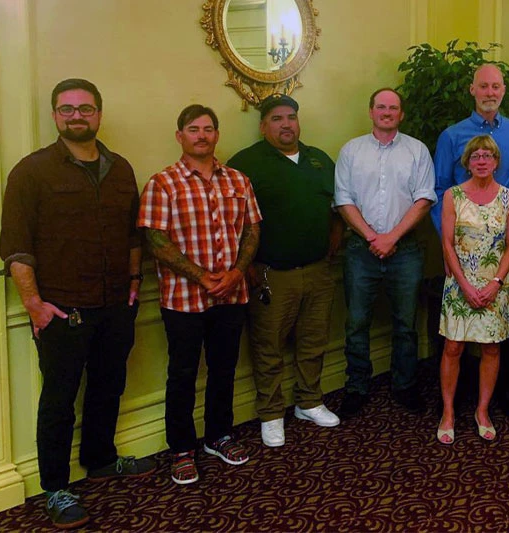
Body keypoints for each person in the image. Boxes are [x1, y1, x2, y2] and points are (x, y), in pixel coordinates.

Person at [0, 78, 155, 529]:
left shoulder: (120, 168)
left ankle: (101, 459)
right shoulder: (31, 171)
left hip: (115, 303)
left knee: (109, 384)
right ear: (54, 116)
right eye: (66, 109)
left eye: (85, 108)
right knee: (59, 399)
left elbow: (133, 235)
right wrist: (34, 305)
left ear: (98, 114)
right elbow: (16, 248)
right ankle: (55, 488)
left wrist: (133, 281)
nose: (76, 116)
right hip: (62, 310)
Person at [139, 104, 262, 485]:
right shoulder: (162, 183)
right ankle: (181, 449)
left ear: (217, 135)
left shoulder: (238, 180)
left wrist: (237, 272)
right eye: (193, 129)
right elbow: (155, 241)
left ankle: (218, 436)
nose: (202, 135)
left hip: (233, 295)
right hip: (183, 300)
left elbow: (252, 230)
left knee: (224, 369)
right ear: (180, 136)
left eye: (208, 129)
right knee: (183, 374)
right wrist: (203, 278)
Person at [227, 95, 343, 448]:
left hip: (318, 270)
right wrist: (245, 265)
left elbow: (337, 209)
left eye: (291, 117)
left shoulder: (318, 159)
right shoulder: (245, 163)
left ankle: (309, 401)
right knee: (268, 347)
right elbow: (232, 222)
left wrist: (331, 247)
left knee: (313, 341)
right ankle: (271, 413)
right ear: (263, 126)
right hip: (271, 274)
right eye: (277, 119)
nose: (286, 124)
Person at [432, 63, 509, 417]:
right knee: (454, 342)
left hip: (499, 255)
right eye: (483, 86)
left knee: (497, 341)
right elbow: (440, 189)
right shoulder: (451, 135)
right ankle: (451, 406)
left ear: (503, 91)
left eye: (496, 86)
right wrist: (449, 249)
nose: (490, 92)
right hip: (460, 252)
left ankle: (492, 403)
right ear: (472, 90)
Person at [334, 88, 437, 418]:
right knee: (356, 323)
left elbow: (424, 198)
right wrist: (372, 237)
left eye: (393, 108)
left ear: (401, 114)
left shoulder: (417, 151)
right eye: (381, 106)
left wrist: (391, 237)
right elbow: (343, 200)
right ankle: (356, 387)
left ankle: (405, 385)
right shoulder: (351, 151)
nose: (387, 112)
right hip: (359, 250)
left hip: (405, 250)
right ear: (371, 111)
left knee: (405, 324)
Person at [437, 135, 509, 443]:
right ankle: (448, 412)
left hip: (495, 286)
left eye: (487, 155)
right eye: (475, 156)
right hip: (460, 285)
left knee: (491, 348)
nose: (481, 160)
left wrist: (495, 283)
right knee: (453, 348)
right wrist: (464, 284)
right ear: (467, 162)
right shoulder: (453, 196)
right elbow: (447, 243)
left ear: (496, 162)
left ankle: (482, 411)